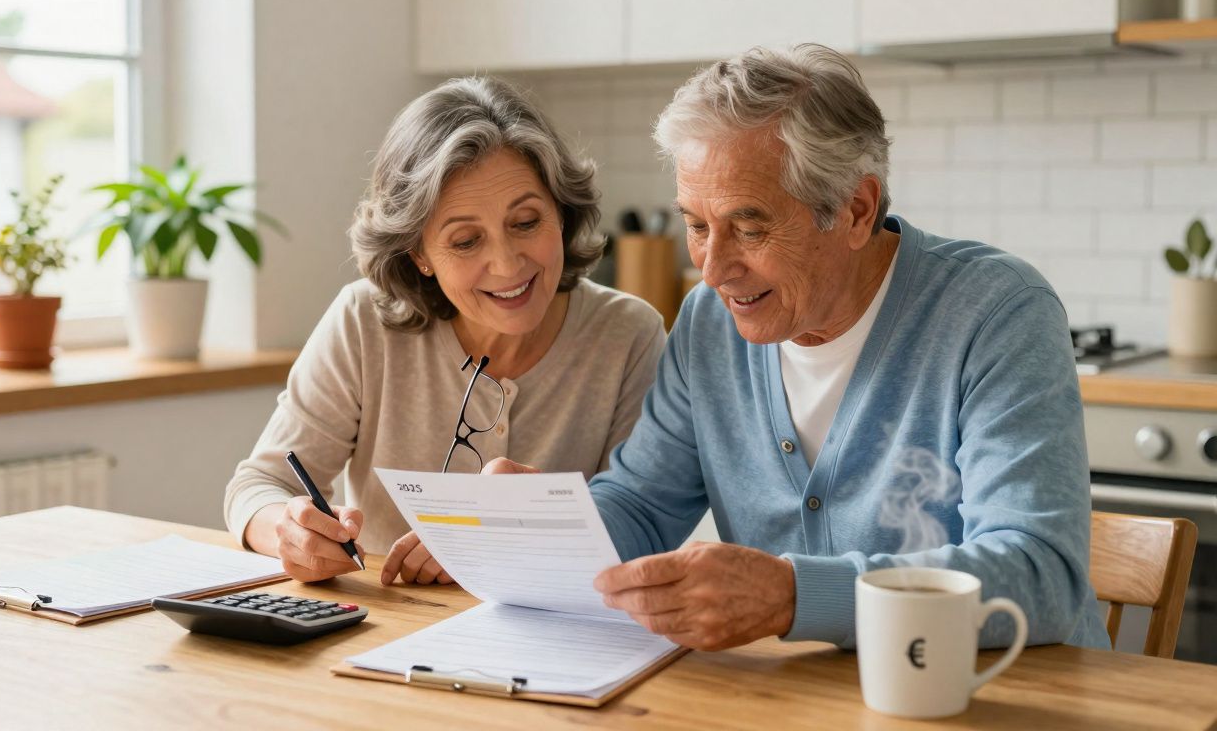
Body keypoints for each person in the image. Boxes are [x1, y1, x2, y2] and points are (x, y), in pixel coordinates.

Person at [486, 44, 1111, 653]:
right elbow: (643, 505)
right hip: (805, 699)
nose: (713, 270)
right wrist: (549, 527)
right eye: (697, 226)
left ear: (856, 210)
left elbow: (1039, 572)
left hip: (1000, 692)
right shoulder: (709, 323)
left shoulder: (996, 312)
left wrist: (792, 596)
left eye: (749, 227)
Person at [224, 77, 666, 584]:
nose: (507, 264)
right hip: (389, 620)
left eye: (526, 222)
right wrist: (289, 530)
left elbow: (642, 524)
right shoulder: (363, 322)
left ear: (561, 214)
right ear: (419, 254)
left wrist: (525, 525)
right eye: (465, 241)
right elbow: (258, 486)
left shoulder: (628, 335)